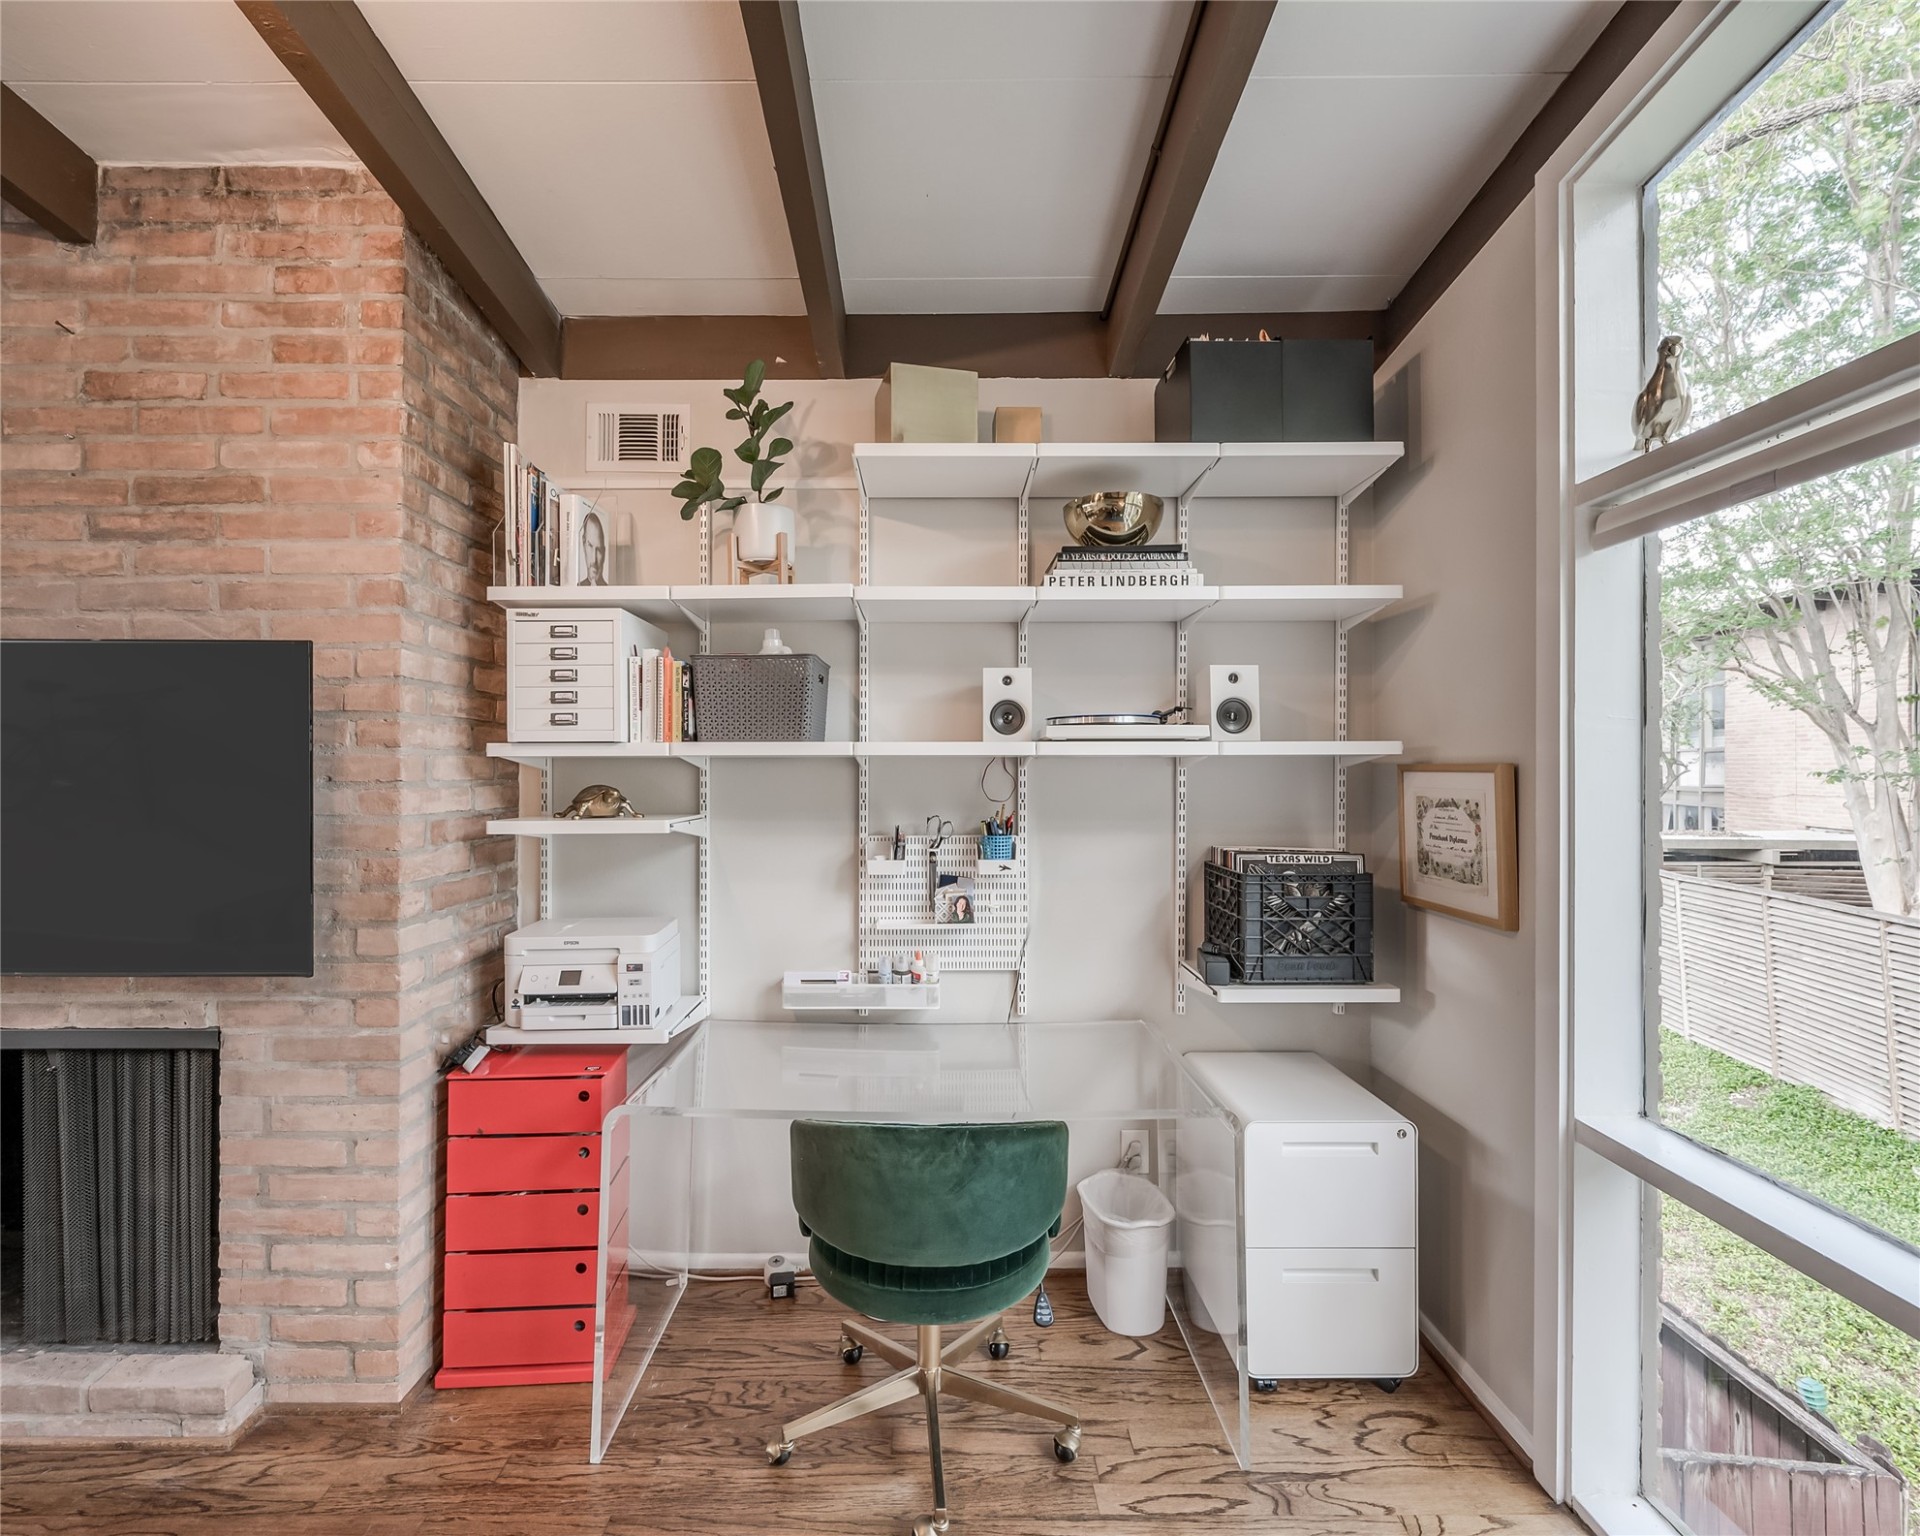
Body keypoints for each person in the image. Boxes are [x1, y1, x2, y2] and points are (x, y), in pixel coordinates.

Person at [579, 509, 608, 586]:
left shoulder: (610, 591)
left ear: (604, 553)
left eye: (599, 550)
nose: (594, 560)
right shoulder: (576, 587)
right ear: (583, 544)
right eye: (590, 546)